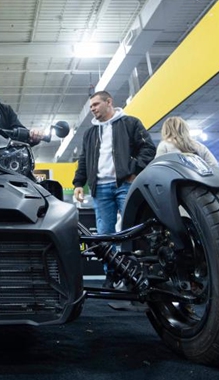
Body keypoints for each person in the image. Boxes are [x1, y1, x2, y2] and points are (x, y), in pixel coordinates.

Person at [72, 91, 156, 288]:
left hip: (125, 185)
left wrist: (134, 169)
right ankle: (112, 275)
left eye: (95, 104)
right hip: (100, 189)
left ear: (109, 102)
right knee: (105, 233)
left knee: (131, 232)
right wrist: (78, 183)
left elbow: (148, 149)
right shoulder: (90, 133)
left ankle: (135, 275)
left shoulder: (130, 123)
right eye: (91, 106)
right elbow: (84, 160)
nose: (92, 109)